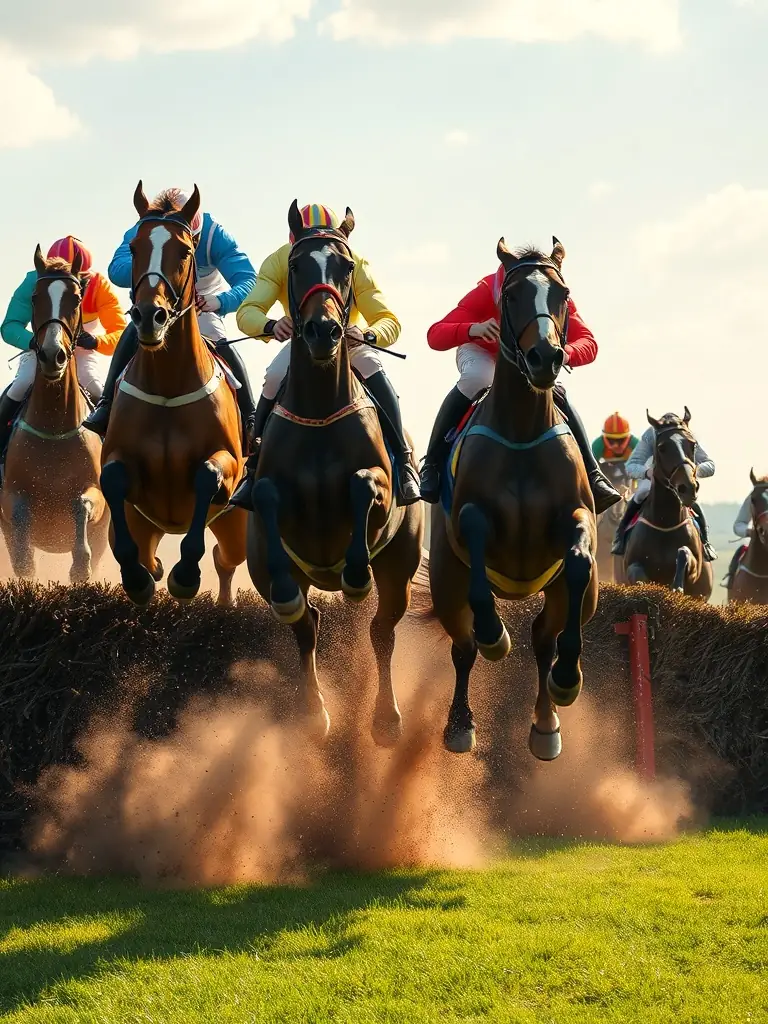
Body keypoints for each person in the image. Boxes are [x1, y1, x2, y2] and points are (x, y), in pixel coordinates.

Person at [233, 202, 420, 508]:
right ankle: (252, 469)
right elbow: (248, 311)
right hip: (302, 340)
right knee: (273, 377)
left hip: (348, 342)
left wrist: (368, 334)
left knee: (373, 367)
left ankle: (404, 461)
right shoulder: (280, 259)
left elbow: (388, 318)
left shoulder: (354, 261)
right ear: (295, 240)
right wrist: (271, 324)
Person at [418, 263, 620, 513]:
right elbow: (435, 335)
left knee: (557, 392)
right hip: (482, 351)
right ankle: (432, 465)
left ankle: (593, 474)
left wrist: (564, 354)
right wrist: (474, 329)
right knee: (479, 378)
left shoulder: (551, 290)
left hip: (524, 356)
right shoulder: (487, 289)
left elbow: (588, 343)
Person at [82, 187, 257, 442]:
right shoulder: (146, 226)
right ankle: (106, 404)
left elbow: (247, 279)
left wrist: (219, 301)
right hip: (156, 303)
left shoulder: (213, 234)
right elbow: (116, 269)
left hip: (198, 309)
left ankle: (250, 418)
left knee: (221, 343)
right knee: (131, 333)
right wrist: (156, 258)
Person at [0, 236, 126, 449]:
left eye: (78, 277)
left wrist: (96, 341)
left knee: (95, 387)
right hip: (41, 345)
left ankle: (119, 452)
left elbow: (119, 332)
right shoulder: (33, 281)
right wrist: (32, 341)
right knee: (22, 383)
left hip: (82, 350)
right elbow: (10, 325)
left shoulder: (98, 285)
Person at [611, 418, 717, 560]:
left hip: (681, 482)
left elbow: (710, 465)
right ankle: (620, 536)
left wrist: (692, 471)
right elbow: (632, 465)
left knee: (692, 500)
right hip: (657, 479)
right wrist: (646, 473)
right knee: (641, 494)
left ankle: (705, 541)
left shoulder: (686, 435)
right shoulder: (652, 434)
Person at [723, 493, 753, 588]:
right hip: (757, 544)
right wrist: (748, 531)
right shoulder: (757, 493)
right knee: (739, 553)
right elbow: (739, 524)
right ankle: (731, 582)